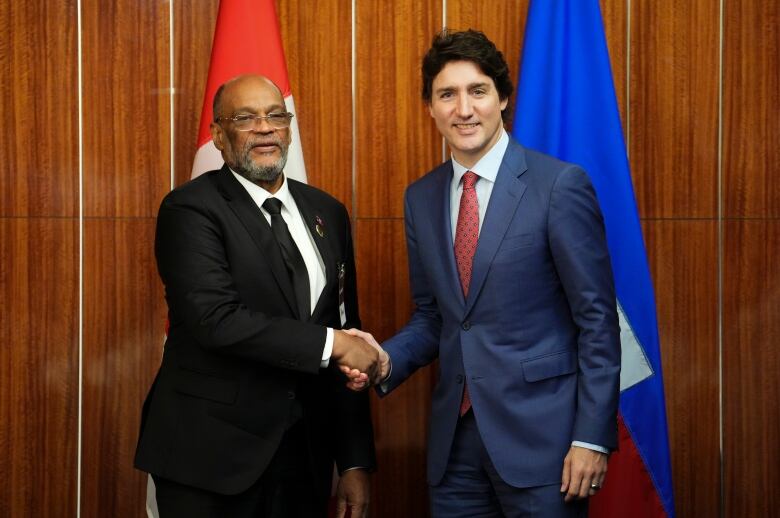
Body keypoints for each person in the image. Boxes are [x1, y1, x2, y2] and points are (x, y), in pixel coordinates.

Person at [348, 29, 621, 517]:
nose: (463, 109)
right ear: (430, 108)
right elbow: (435, 317)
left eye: (478, 91)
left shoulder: (558, 186)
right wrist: (383, 360)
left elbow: (597, 320)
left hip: (546, 448)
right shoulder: (421, 198)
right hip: (455, 452)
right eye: (446, 94)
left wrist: (591, 438)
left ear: (503, 99)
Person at [135, 74, 378, 518]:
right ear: (218, 136)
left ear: (289, 127)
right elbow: (217, 320)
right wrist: (334, 344)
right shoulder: (189, 209)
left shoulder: (328, 212)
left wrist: (354, 460)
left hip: (304, 459)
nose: (265, 128)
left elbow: (347, 330)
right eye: (245, 118)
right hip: (209, 459)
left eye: (275, 115)